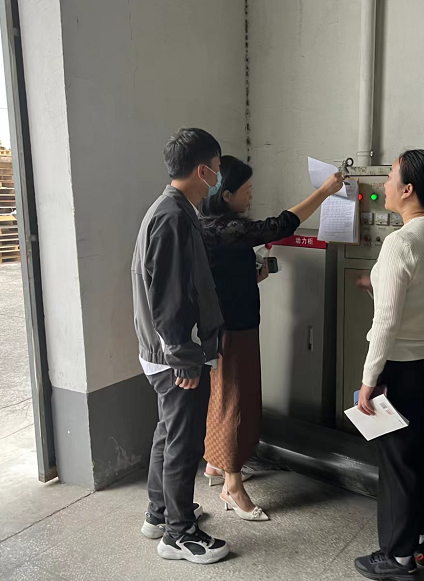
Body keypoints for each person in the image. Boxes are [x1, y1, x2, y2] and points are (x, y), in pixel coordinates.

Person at [198, 155, 343, 521]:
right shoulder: (226, 228)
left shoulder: (211, 226)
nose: (251, 196)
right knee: (237, 401)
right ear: (226, 195)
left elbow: (222, 276)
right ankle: (233, 486)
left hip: (229, 324)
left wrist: (253, 277)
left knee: (224, 396)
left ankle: (215, 464)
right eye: (246, 190)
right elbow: (281, 225)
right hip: (234, 329)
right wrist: (325, 191)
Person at [353, 150, 424, 580]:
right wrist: (377, 283)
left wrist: (369, 380)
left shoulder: (400, 242)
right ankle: (420, 538)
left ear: (408, 190)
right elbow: (421, 297)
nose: (384, 185)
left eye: (390, 177)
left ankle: (398, 557)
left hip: (403, 370)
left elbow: (387, 323)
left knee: (398, 462)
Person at [131, 127, 229, 565]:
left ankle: (160, 513)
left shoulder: (170, 208)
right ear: (202, 170)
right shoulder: (172, 216)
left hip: (164, 352)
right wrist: (185, 358)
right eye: (217, 169)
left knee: (168, 432)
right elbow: (169, 297)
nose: (218, 178)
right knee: (183, 443)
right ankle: (179, 535)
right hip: (175, 355)